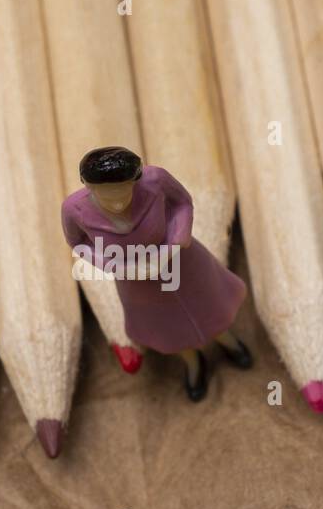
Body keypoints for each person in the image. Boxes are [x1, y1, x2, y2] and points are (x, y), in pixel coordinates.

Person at [61, 146, 251, 400]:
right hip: (136, 282)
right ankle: (193, 364)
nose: (118, 202)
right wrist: (114, 266)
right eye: (108, 196)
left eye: (123, 192)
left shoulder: (157, 180)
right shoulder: (74, 209)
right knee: (166, 325)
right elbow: (78, 244)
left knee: (209, 303)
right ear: (89, 188)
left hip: (183, 262)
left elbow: (182, 204)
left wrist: (177, 241)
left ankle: (227, 340)